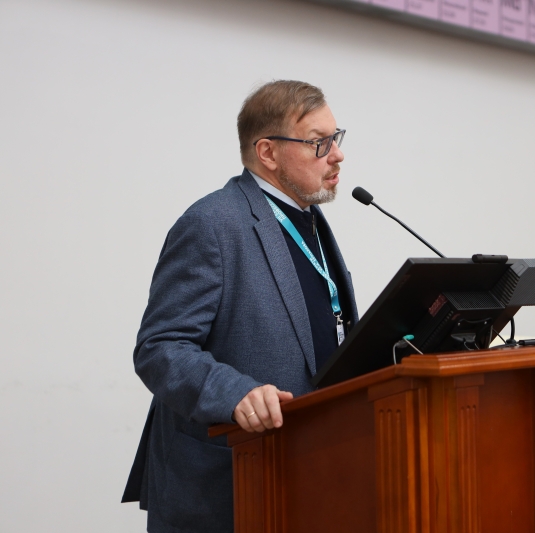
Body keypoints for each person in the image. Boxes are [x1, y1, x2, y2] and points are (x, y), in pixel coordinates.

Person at [121, 80, 358, 533]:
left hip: (309, 471)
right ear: (268, 152)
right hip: (226, 485)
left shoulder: (309, 219)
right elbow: (160, 347)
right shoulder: (211, 224)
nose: (337, 154)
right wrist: (235, 394)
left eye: (336, 138)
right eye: (318, 142)